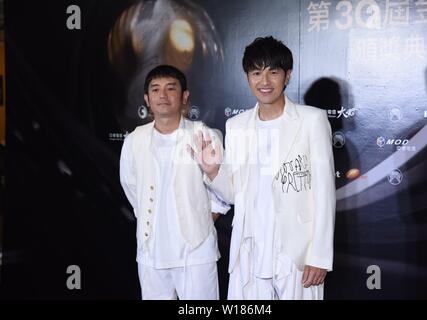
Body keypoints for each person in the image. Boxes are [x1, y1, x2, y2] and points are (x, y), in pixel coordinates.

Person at [191, 36, 336, 300]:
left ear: (287, 75)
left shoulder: (311, 120)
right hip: (250, 246)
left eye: (273, 72)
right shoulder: (237, 125)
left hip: (296, 250)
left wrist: (319, 255)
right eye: (256, 72)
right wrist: (213, 171)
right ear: (247, 77)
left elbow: (325, 192)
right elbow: (236, 193)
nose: (265, 81)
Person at [120, 65, 229, 300]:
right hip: (150, 251)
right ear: (147, 99)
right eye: (156, 89)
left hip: (196, 253)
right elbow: (130, 187)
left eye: (171, 88)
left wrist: (201, 220)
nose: (163, 95)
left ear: (184, 96)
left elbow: (224, 191)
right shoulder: (135, 140)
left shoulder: (204, 135)